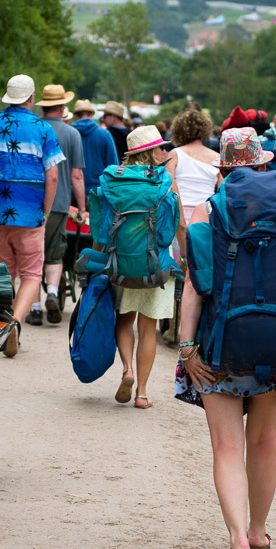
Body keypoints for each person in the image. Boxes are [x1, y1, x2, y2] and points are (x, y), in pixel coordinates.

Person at [175, 127, 276, 549]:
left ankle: (235, 539)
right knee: (264, 440)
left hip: (220, 345)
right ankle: (258, 532)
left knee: (226, 449)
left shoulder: (208, 211)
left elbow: (196, 287)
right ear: (262, 163)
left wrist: (186, 348)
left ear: (223, 168)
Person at [0, 74, 63, 353]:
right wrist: (45, 212)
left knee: (4, 270)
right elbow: (53, 175)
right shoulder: (44, 129)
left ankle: (0, 323)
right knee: (32, 274)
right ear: (32, 99)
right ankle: (14, 324)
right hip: (31, 213)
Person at [114, 126, 186, 409]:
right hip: (156, 262)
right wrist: (184, 257)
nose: (164, 152)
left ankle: (126, 369)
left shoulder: (116, 179)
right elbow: (179, 223)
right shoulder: (164, 181)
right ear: (150, 152)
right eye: (160, 148)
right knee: (148, 327)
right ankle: (142, 393)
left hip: (122, 261)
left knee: (124, 319)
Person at [28, 84, 86, 325]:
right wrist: (81, 209)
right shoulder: (72, 134)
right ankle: (52, 292)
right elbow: (77, 176)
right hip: (60, 204)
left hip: (30, 204)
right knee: (54, 252)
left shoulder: (33, 128)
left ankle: (34, 307)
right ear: (62, 107)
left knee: (31, 256)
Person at [165, 108, 220, 227]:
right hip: (207, 213)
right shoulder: (217, 157)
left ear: (179, 130)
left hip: (180, 213)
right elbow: (222, 190)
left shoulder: (175, 154)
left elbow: (167, 186)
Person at [72, 99, 118, 196]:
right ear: (91, 115)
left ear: (75, 115)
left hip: (72, 192)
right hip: (99, 192)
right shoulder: (104, 134)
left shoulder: (68, 134)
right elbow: (113, 167)